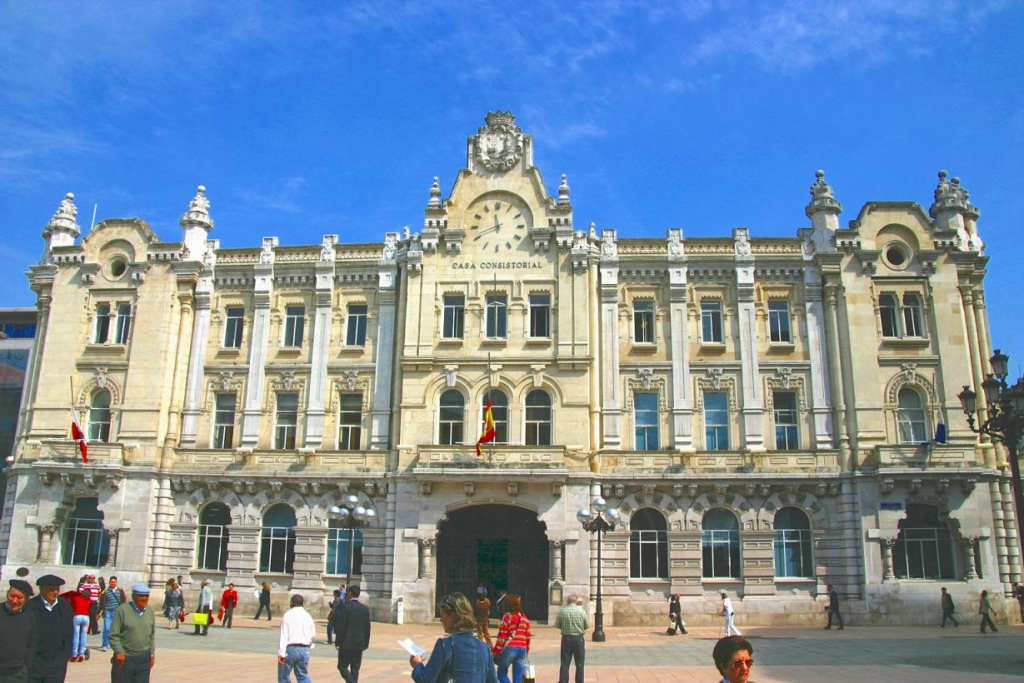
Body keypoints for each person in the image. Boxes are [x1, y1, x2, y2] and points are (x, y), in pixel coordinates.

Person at [410, 592, 497, 683]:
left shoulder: (445, 645)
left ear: (452, 616)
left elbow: (425, 680)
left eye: (442, 615)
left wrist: (417, 664)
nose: (441, 619)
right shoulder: (484, 648)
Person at [26, 574, 73, 683]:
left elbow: (69, 632)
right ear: (42, 589)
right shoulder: (31, 606)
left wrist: (65, 655)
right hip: (35, 661)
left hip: (57, 662)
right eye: (51, 590)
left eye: (57, 589)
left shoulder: (63, 605)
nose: (55, 592)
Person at [109, 584, 156, 683]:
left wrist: (151, 654)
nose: (144, 599)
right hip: (126, 658)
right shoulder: (122, 610)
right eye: (140, 596)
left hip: (144, 658)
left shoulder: (150, 611)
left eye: (146, 596)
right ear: (134, 596)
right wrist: (119, 651)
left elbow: (151, 635)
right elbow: (113, 635)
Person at [1, 579, 38, 681]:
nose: (14, 601)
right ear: (7, 594)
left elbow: (31, 644)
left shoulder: (30, 616)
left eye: (19, 598)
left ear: (26, 599)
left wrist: (26, 668)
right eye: (12, 596)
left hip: (18, 673)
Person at [334, 585, 371, 683]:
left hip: (346, 643)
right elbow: (367, 628)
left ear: (350, 594)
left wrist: (337, 642)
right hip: (359, 643)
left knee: (342, 666)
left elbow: (341, 627)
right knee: (355, 669)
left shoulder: (346, 608)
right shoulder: (365, 609)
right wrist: (366, 643)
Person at [492, 594, 531, 683]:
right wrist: (526, 649)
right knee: (518, 677)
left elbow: (502, 636)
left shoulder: (507, 617)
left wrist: (496, 651)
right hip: (522, 648)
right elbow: (528, 636)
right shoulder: (524, 618)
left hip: (510, 647)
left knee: (501, 674)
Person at [278, 594, 316, 683]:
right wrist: (310, 643)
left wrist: (281, 653)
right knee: (302, 675)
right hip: (304, 649)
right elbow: (312, 634)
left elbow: (284, 635)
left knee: (284, 676)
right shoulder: (307, 616)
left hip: (291, 648)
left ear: (291, 604)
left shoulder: (287, 615)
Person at [554, 594, 588, 683]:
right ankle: (579, 681)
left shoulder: (563, 611)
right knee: (580, 663)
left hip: (566, 638)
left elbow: (557, 625)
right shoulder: (581, 611)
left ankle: (563, 681)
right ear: (576, 601)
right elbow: (587, 625)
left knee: (565, 662)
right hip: (578, 638)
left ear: (567, 601)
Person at [59, 580, 92, 663]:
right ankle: (81, 655)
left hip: (77, 616)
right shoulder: (89, 601)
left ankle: (74, 655)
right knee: (83, 636)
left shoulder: (76, 598)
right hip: (86, 617)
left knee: (75, 635)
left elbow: (72, 606)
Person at [99, 576, 127, 652]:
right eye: (111, 582)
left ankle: (115, 644)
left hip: (117, 612)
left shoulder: (120, 591)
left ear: (116, 582)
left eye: (114, 582)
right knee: (107, 628)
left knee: (116, 630)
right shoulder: (105, 591)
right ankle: (105, 644)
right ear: (109, 582)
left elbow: (124, 600)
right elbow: (101, 603)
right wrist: (98, 612)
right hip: (107, 611)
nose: (113, 583)